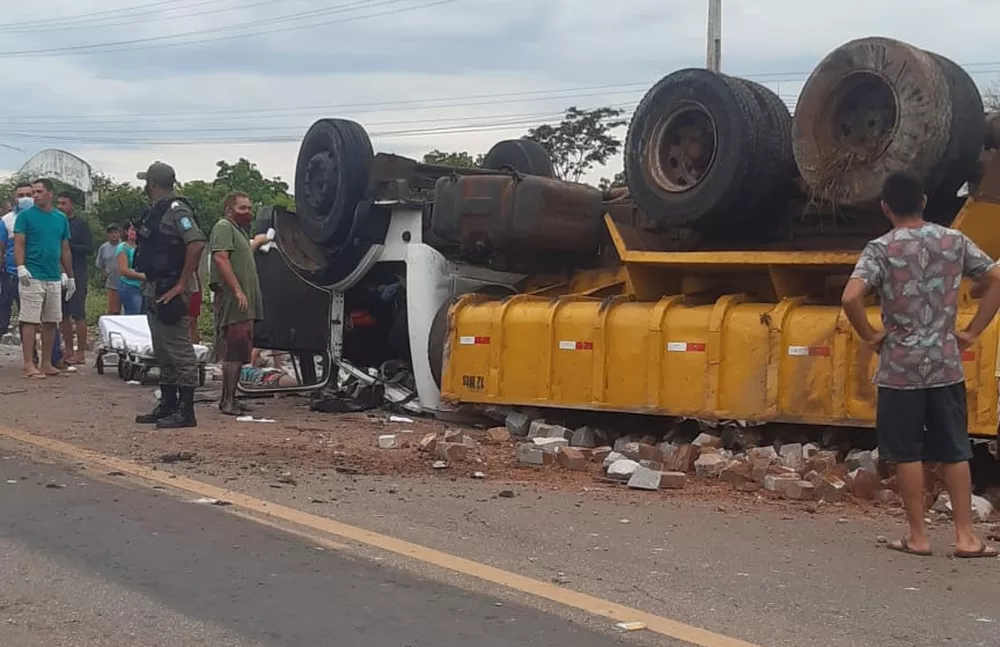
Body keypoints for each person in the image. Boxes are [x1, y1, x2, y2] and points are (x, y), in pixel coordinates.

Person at [842, 170, 1000, 559]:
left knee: (906, 452)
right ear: (924, 202)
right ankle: (965, 537)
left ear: (885, 208)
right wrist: (972, 331)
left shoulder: (881, 249)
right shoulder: (954, 241)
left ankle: (918, 536)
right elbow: (997, 279)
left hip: (900, 368)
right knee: (955, 450)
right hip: (945, 363)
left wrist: (870, 335)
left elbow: (850, 297)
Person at [133, 162, 205, 429]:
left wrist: (181, 283)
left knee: (179, 350)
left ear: (152, 183)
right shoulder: (157, 210)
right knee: (163, 350)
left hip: (172, 289)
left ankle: (186, 411)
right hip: (156, 287)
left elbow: (196, 242)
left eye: (146, 182)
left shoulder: (177, 209)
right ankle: (168, 404)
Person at [209, 191, 270, 415]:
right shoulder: (223, 227)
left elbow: (242, 255)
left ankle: (231, 397)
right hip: (233, 300)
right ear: (229, 210)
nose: (248, 212)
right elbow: (221, 258)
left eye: (249, 208)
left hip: (245, 301)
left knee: (241, 349)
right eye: (242, 208)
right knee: (233, 350)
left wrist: (258, 241)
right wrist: (236, 290)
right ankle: (228, 401)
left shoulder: (239, 232)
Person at [13, 179, 75, 380]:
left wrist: (70, 275)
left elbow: (64, 247)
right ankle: (28, 363)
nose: (35, 195)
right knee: (29, 320)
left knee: (51, 320)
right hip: (32, 274)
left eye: (39, 191)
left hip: (53, 275)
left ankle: (46, 363)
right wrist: (20, 266)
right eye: (33, 192)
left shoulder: (60, 218)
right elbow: (19, 243)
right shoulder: (25, 216)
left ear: (50, 193)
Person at [59, 192, 91, 365]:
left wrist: (67, 245)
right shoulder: (56, 222)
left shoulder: (81, 224)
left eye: (64, 203)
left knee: (78, 312)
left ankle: (81, 352)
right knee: (63, 313)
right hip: (59, 271)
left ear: (72, 205)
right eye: (59, 203)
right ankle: (68, 349)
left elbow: (89, 249)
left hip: (78, 271)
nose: (61, 207)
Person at [0, 185, 34, 337]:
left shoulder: (43, 217)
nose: (25, 198)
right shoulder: (7, 220)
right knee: (3, 309)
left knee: (31, 317)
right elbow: (1, 247)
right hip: (11, 273)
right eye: (21, 195)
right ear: (15, 198)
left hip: (36, 273)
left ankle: (32, 350)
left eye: (28, 194)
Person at [116, 221, 146, 315]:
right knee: (135, 315)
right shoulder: (123, 247)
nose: (135, 232)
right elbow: (124, 270)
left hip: (144, 288)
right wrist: (144, 276)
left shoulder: (142, 247)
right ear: (126, 232)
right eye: (132, 230)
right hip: (130, 286)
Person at [95, 224, 122, 315]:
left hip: (125, 282)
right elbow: (99, 264)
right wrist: (104, 273)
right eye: (111, 233)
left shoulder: (124, 246)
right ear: (108, 235)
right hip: (112, 283)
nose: (114, 235)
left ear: (120, 234)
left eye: (116, 232)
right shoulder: (104, 247)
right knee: (113, 311)